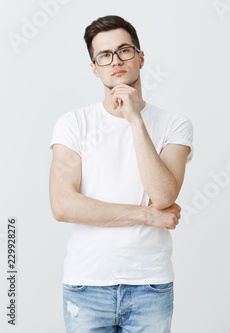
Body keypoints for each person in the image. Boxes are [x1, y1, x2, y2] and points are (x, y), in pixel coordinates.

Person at [48, 15, 193, 332]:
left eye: (124, 50)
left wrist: (135, 120)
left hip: (150, 287)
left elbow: (164, 195)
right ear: (94, 67)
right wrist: (147, 215)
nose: (115, 60)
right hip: (86, 287)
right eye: (104, 55)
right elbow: (63, 205)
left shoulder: (174, 124)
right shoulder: (73, 124)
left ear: (140, 57)